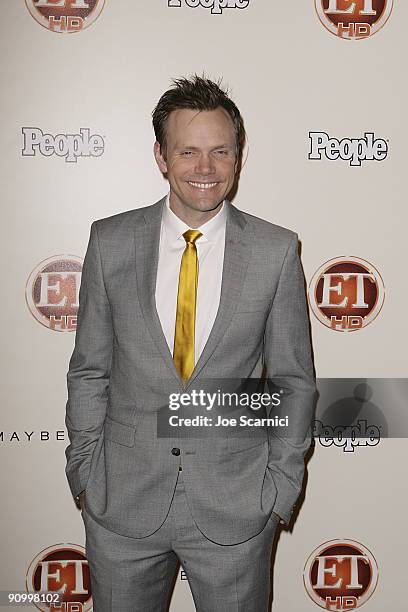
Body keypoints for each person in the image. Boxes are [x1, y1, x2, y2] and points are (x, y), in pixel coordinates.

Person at [65, 75, 316, 611]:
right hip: (121, 506)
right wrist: (85, 474)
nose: (205, 169)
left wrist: (279, 489)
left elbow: (292, 382)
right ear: (160, 155)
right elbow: (90, 369)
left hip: (237, 505)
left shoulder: (276, 251)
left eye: (220, 151)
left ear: (238, 157)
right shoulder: (110, 242)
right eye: (188, 151)